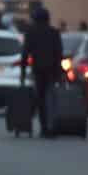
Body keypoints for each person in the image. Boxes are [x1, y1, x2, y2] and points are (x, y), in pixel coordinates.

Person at [21, 7, 63, 137]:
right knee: (51, 98)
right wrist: (60, 72)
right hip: (53, 70)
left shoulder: (31, 32)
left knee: (41, 98)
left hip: (38, 70)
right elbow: (59, 53)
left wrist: (22, 72)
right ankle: (53, 127)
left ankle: (44, 128)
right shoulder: (54, 32)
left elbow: (25, 53)